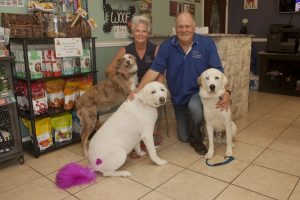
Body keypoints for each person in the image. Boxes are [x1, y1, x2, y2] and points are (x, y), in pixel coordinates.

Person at [130, 12, 231, 155]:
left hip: (199, 92)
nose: (184, 30)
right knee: (183, 137)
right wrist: (138, 89)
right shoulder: (167, 46)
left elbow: (218, 72)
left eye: (187, 26)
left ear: (194, 27)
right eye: (180, 26)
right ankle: (197, 127)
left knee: (195, 108)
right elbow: (154, 70)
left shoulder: (206, 44)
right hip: (178, 96)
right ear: (175, 28)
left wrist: (226, 92)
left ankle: (197, 138)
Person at [106, 15, 164, 83]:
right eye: (137, 31)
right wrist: (121, 73)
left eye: (144, 31)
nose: (140, 34)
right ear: (133, 33)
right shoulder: (124, 50)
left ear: (148, 33)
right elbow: (108, 71)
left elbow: (160, 75)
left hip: (149, 89)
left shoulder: (156, 49)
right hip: (130, 90)